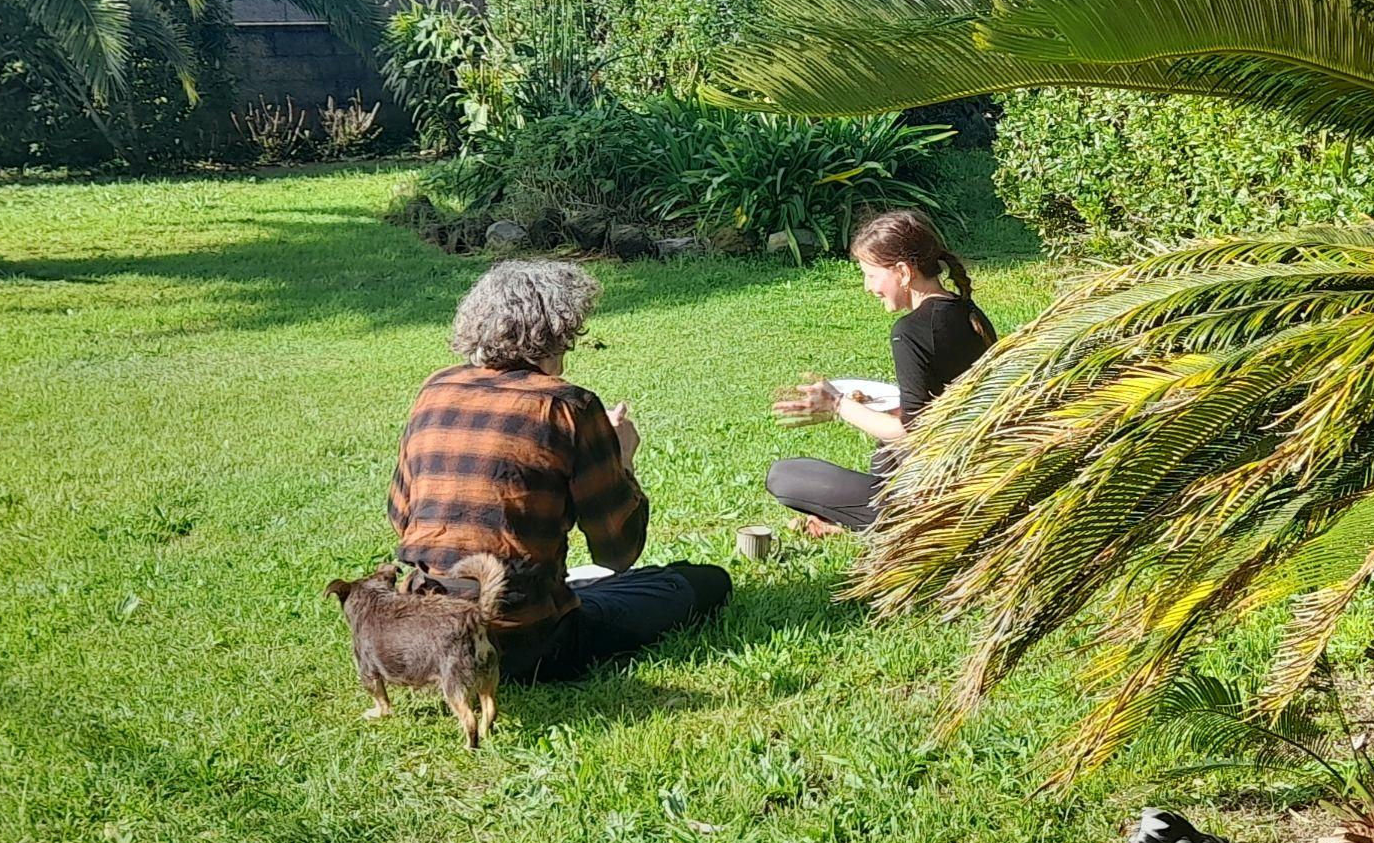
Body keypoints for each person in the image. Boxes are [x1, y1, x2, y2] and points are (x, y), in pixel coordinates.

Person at [391, 260, 730, 682]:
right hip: (523, 643)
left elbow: (400, 516)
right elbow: (618, 552)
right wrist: (621, 458)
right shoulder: (569, 406)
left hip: (426, 634)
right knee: (704, 581)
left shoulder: (435, 388)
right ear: (554, 338)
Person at [766, 210, 998, 533]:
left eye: (872, 275)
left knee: (783, 476)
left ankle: (886, 525)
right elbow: (943, 408)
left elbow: (913, 432)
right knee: (883, 454)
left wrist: (838, 405)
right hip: (973, 476)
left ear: (903, 272)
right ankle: (863, 520)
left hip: (934, 497)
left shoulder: (911, 332)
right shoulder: (971, 315)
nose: (867, 286)